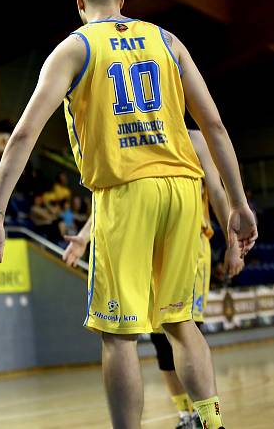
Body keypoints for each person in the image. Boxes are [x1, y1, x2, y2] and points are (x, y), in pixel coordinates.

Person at [0, 0, 257, 429]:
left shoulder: (74, 48)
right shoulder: (168, 41)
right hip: (183, 189)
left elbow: (22, 136)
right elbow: (214, 125)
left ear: (79, 2)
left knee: (119, 337)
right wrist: (239, 204)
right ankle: (211, 421)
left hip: (125, 191)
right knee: (182, 323)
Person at [63, 129, 233, 428]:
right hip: (145, 232)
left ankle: (207, 416)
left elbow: (218, 190)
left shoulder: (193, 139)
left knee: (181, 325)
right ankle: (188, 414)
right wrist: (85, 235)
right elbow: (121, 189)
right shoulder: (136, 130)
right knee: (161, 337)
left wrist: (233, 241)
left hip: (191, 237)